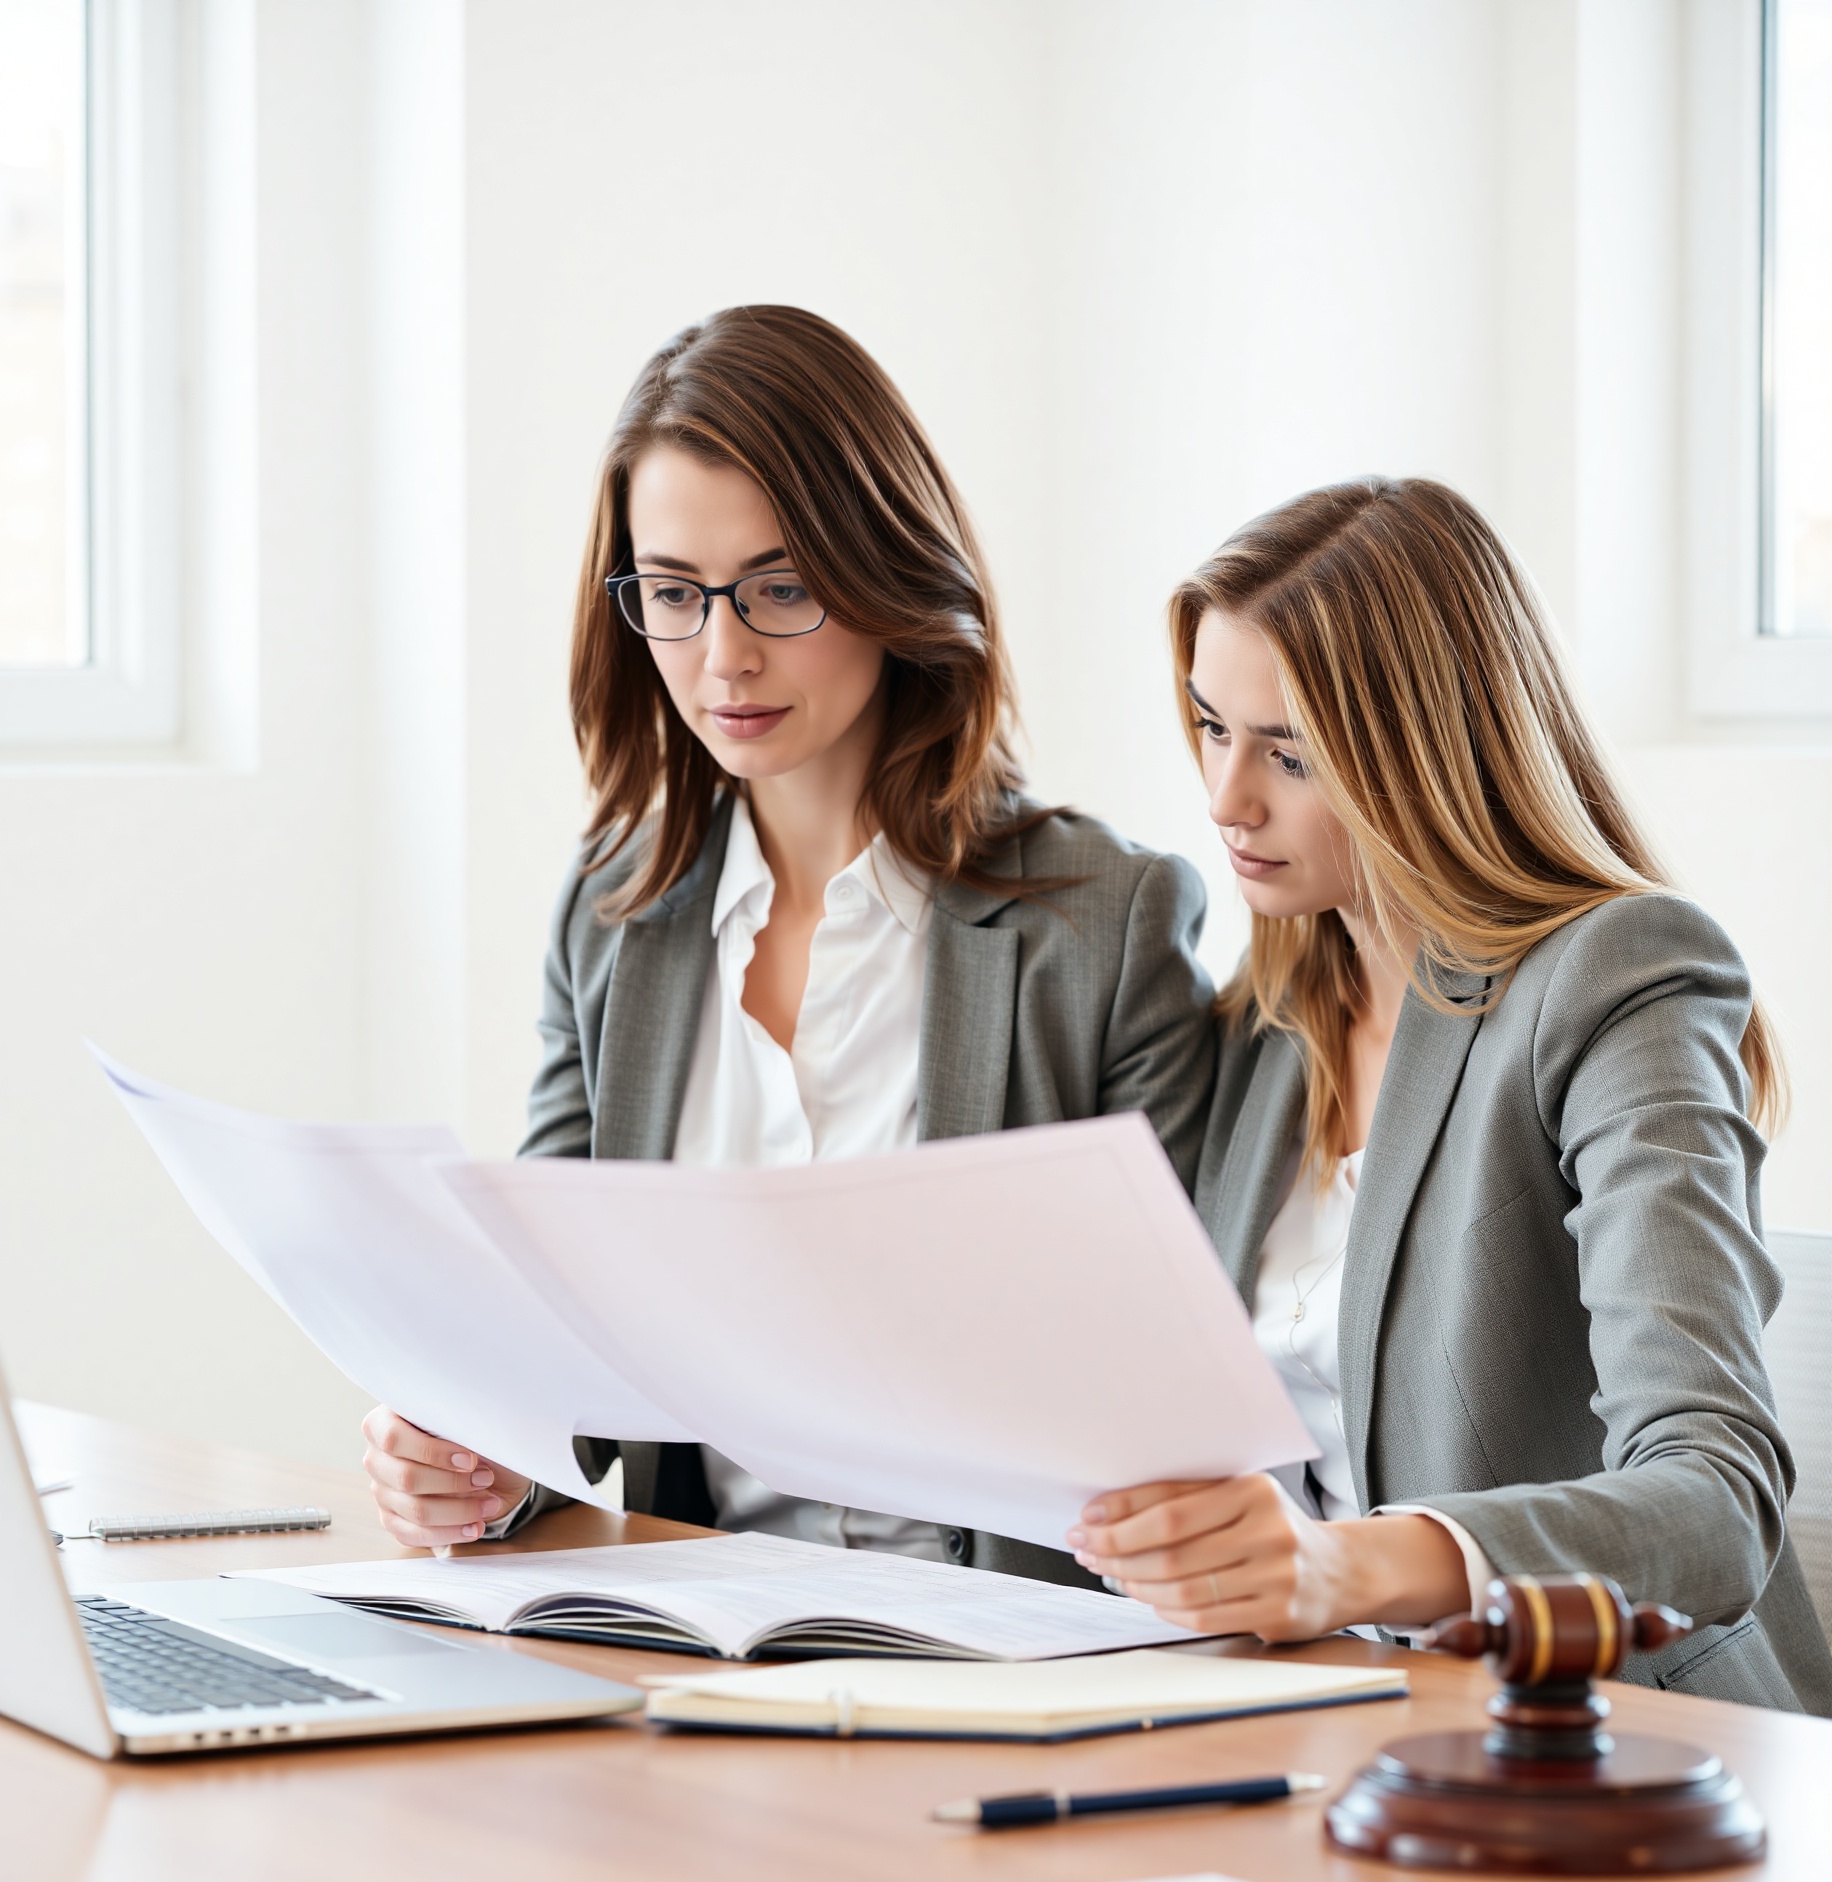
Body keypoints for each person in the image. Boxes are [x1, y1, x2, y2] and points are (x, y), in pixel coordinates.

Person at [362, 305, 1218, 1585]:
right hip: (701, 1627)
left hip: (1010, 1647)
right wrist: (470, 1462)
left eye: (781, 586)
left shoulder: (1103, 920)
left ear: (884, 574)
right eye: (672, 593)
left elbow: (1184, 1392)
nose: (724, 655)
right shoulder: (613, 919)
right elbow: (556, 1359)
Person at [1067, 476, 1832, 1712]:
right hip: (1313, 1728)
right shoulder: (1262, 1027)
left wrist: (1335, 1567)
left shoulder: (1616, 977)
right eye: (1210, 726)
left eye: (1289, 753)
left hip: (1614, 1738)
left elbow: (1713, 1497)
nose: (1224, 798)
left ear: (1424, 752)